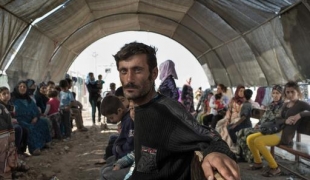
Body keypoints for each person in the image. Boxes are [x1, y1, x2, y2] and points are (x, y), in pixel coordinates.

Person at [113, 42, 239, 180]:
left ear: (154, 73)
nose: (129, 79)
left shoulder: (166, 111)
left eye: (137, 70)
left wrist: (216, 152)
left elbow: (210, 136)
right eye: (123, 71)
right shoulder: (140, 109)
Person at [247, 81, 310, 177]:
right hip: (276, 130)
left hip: (285, 135)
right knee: (250, 138)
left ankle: (275, 168)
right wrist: (285, 121)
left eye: (292, 92)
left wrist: (299, 115)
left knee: (258, 141)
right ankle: (258, 162)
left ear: (298, 91)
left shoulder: (301, 104)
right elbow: (278, 119)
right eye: (287, 92)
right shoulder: (285, 105)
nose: (289, 94)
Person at [237, 85, 284, 162]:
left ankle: (252, 157)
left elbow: (275, 121)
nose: (275, 95)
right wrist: (258, 123)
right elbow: (264, 117)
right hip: (262, 127)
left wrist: (260, 126)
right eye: (274, 93)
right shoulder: (271, 105)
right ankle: (243, 155)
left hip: (270, 129)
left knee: (247, 133)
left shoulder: (282, 106)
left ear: (281, 94)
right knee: (240, 132)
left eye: (277, 93)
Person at [11, 81, 51, 155]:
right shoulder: (12, 100)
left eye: (24, 87)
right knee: (29, 127)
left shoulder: (29, 99)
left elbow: (36, 110)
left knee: (43, 122)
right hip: (20, 120)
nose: (23, 88)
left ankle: (43, 144)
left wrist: (36, 117)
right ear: (17, 88)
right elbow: (11, 113)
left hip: (32, 119)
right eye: (21, 86)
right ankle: (34, 148)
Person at [0, 86, 28, 157]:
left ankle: (21, 150)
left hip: (11, 123)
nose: (7, 95)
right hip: (3, 126)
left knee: (25, 129)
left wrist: (13, 119)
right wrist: (11, 120)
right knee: (17, 129)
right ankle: (14, 152)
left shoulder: (10, 105)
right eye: (4, 94)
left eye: (8, 93)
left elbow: (13, 115)